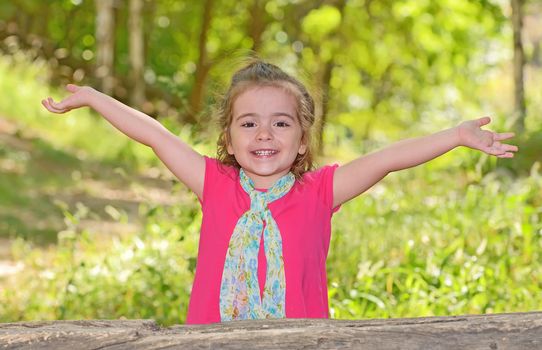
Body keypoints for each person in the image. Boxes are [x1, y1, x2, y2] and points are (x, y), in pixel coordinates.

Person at [42, 60, 518, 324]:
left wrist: (454, 136)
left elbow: (388, 159)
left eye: (281, 123)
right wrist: (92, 98)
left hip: (302, 341)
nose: (264, 134)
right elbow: (154, 134)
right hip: (210, 341)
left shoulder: (319, 191)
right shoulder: (214, 183)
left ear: (302, 138)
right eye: (249, 124)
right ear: (228, 138)